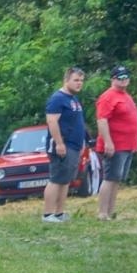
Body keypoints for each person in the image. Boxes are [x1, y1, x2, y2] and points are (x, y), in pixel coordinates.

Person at [41, 66, 87, 222]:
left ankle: (59, 213)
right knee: (56, 178)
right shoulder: (58, 98)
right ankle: (48, 214)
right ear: (66, 80)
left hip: (74, 145)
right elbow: (52, 121)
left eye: (81, 80)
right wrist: (59, 144)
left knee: (65, 179)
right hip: (62, 145)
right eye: (75, 80)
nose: (79, 83)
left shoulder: (73, 99)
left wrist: (81, 143)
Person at [94, 66, 137, 219]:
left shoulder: (125, 95)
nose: (124, 79)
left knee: (116, 179)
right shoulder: (108, 96)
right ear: (112, 79)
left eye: (126, 76)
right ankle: (102, 212)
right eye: (120, 77)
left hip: (127, 145)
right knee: (110, 178)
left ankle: (111, 211)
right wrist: (108, 142)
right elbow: (102, 120)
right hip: (115, 145)